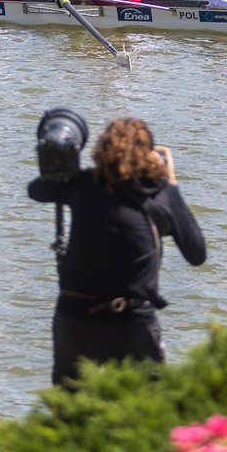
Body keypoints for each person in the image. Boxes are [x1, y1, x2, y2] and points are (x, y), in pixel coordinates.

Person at [28, 117, 206, 386]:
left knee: (67, 406)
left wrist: (65, 164)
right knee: (147, 407)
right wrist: (171, 182)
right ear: (149, 155)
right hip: (130, 322)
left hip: (75, 319)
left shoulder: (83, 184)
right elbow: (196, 254)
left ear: (101, 150)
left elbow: (36, 190)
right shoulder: (159, 194)